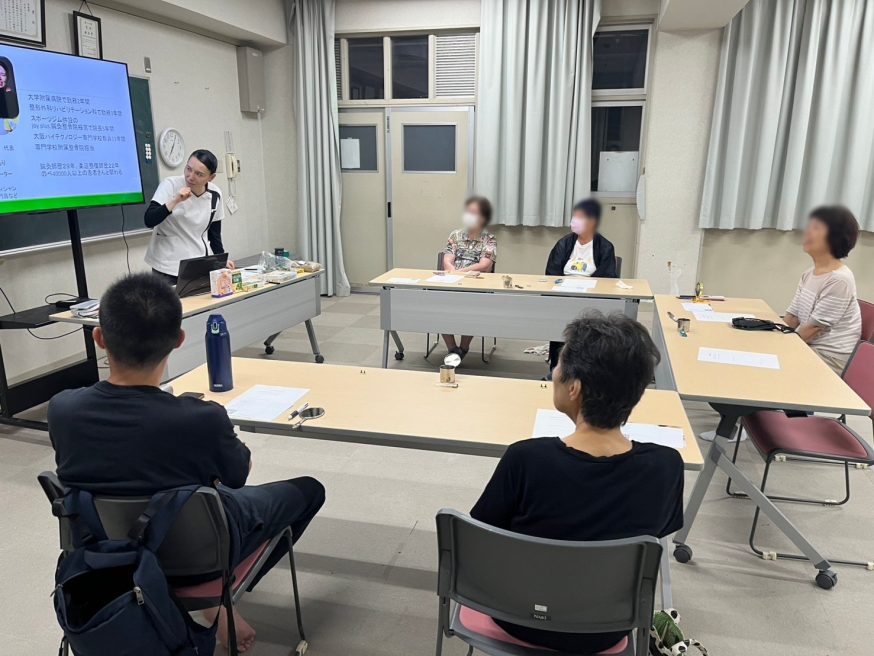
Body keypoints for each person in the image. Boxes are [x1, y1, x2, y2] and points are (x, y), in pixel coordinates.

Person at [48, 273, 325, 653]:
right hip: (201, 556)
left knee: (187, 496)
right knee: (309, 490)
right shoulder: (200, 418)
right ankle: (219, 599)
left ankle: (204, 600)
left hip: (102, 551)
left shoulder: (62, 409)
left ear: (99, 337)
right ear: (179, 340)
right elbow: (237, 476)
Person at [470, 312, 683, 653]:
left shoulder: (526, 459)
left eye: (558, 364)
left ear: (575, 387)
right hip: (606, 629)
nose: (553, 372)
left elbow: (480, 540)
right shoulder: (666, 467)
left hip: (516, 616)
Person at [544, 198, 618, 374]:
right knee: (560, 322)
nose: (574, 221)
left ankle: (587, 367)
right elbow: (551, 273)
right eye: (574, 216)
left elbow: (607, 280)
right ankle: (557, 367)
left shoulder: (605, 247)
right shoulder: (564, 243)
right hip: (564, 297)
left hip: (590, 300)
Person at [785, 205, 862, 374]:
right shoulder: (808, 274)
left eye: (816, 228)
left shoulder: (839, 280)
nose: (807, 232)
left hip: (830, 358)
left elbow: (813, 329)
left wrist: (780, 347)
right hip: (809, 346)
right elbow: (792, 316)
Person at [144, 150, 233, 285]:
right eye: (188, 169)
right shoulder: (170, 185)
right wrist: (175, 201)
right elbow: (149, 220)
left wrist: (221, 261)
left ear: (211, 177)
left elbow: (214, 235)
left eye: (199, 174)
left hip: (197, 263)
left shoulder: (215, 194)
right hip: (167, 264)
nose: (190, 177)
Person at [441, 196, 497, 359]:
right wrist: (452, 270)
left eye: (474, 213)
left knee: (473, 308)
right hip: (452, 281)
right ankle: (453, 349)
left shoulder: (489, 239)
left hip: (476, 285)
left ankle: (464, 347)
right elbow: (447, 259)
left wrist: (460, 273)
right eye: (468, 212)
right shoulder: (455, 235)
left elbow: (485, 265)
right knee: (437, 303)